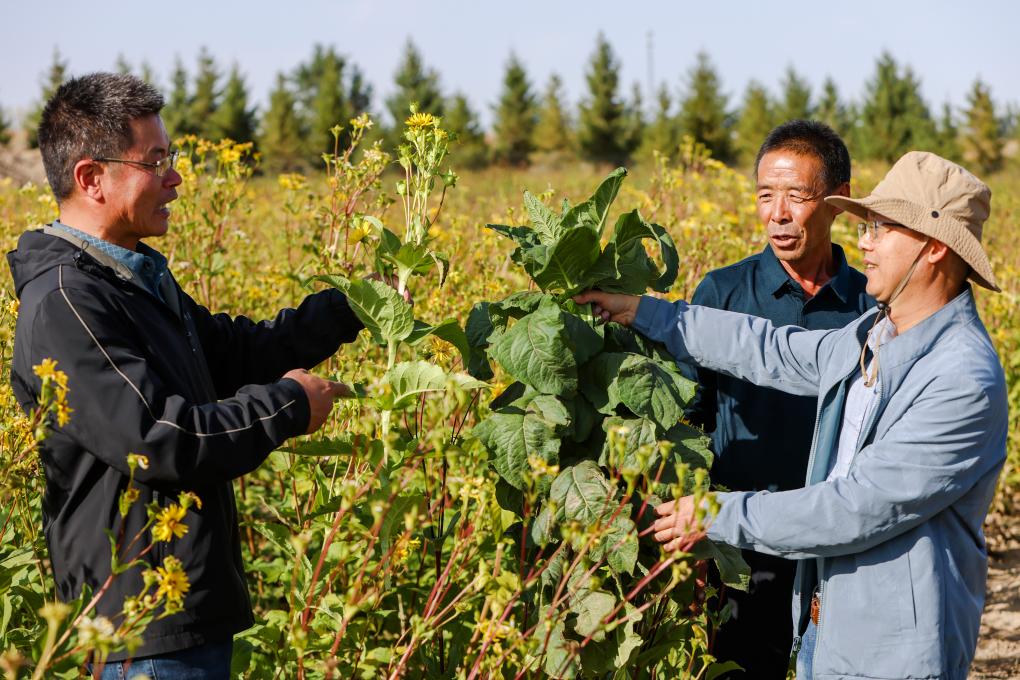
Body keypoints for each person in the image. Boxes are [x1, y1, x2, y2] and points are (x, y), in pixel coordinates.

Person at [576, 151, 1006, 679]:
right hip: (828, 627)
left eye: (881, 229)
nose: (864, 243)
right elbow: (773, 348)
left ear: (935, 248)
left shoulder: (962, 380)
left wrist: (718, 514)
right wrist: (644, 312)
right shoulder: (875, 332)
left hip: (893, 651)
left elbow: (857, 508)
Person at [8, 73, 374, 676]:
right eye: (156, 161)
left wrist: (351, 306)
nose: (176, 178)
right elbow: (159, 437)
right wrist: (288, 405)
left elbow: (231, 354)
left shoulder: (130, 278)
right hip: (144, 635)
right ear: (91, 178)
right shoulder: (68, 302)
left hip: (181, 618)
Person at [681, 120, 872, 675]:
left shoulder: (870, 302)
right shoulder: (722, 295)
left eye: (797, 195)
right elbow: (691, 423)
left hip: (837, 552)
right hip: (742, 551)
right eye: (766, 195)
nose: (777, 214)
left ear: (839, 200)